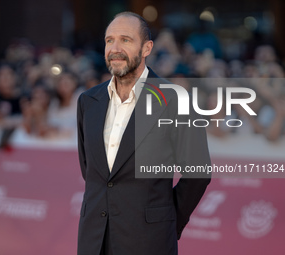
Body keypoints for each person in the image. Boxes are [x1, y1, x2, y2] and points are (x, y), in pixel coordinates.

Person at [77, 12, 211, 255]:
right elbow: (90, 169)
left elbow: (198, 174)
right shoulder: (88, 101)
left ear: (147, 48)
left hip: (149, 242)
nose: (115, 48)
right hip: (93, 239)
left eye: (125, 40)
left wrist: (166, 221)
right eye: (109, 40)